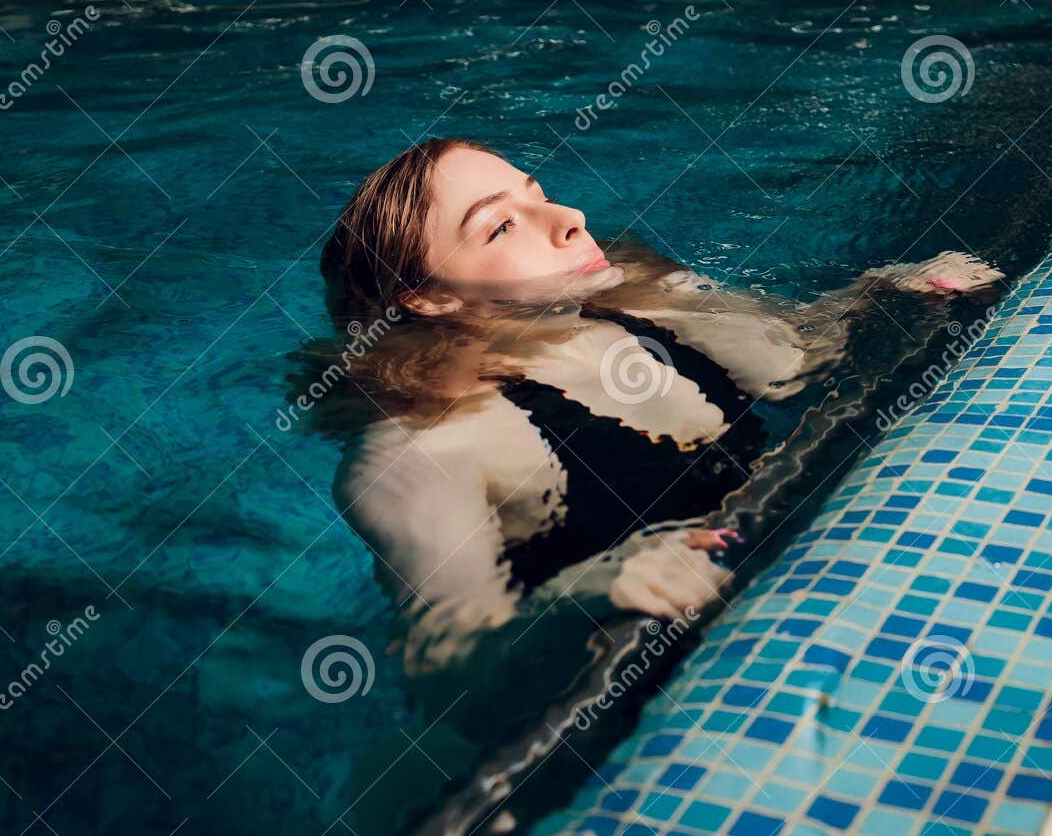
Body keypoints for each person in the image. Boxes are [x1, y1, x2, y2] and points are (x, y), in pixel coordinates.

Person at [306, 137, 1002, 677]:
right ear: (430, 298)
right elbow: (445, 666)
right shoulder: (426, 445)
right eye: (499, 228)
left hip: (809, 588)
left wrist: (881, 291)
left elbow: (801, 357)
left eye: (540, 193)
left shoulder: (646, 301)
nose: (570, 219)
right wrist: (581, 592)